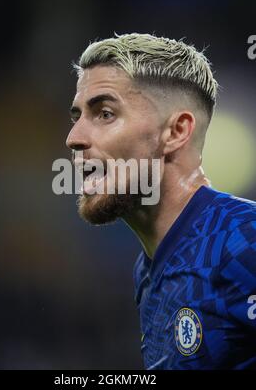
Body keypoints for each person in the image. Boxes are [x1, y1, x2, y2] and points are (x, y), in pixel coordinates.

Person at [66, 33, 256, 369]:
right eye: (76, 116)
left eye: (105, 113)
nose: (74, 138)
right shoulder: (148, 269)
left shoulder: (245, 241)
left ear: (176, 132)